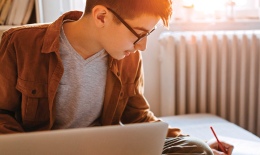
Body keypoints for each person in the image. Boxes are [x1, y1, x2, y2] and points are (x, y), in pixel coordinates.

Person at [0, 0, 233, 154]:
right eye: (138, 35)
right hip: (45, 152)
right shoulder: (20, 43)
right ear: (101, 16)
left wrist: (188, 140)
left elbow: (138, 117)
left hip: (105, 150)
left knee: (196, 148)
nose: (142, 47)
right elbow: (2, 115)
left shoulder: (127, 56)